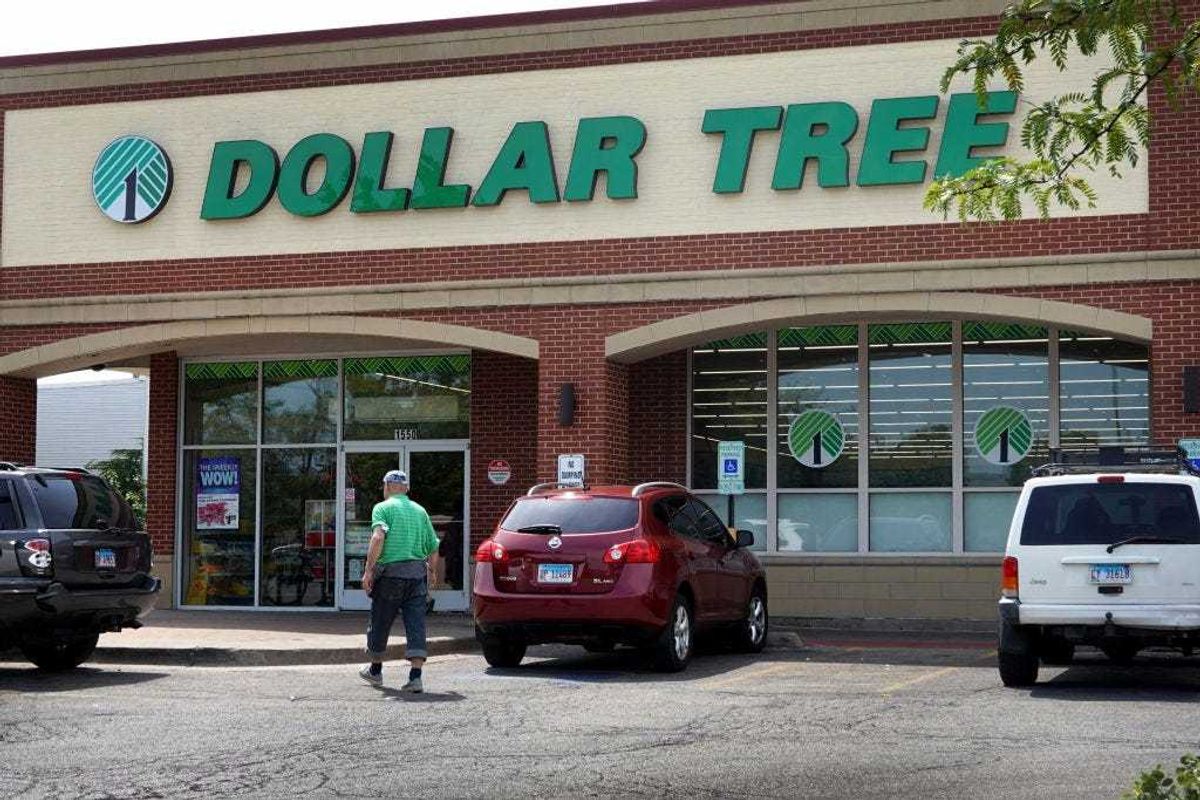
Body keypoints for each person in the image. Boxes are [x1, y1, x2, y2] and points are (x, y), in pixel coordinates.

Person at [358, 469, 441, 692]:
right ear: (406, 488)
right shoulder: (420, 511)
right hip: (417, 576)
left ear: (387, 486)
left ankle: (376, 671)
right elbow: (434, 546)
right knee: (416, 625)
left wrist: (368, 570)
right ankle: (416, 677)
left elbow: (378, 537)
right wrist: (432, 572)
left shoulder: (382, 508)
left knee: (380, 621)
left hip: (390, 576)